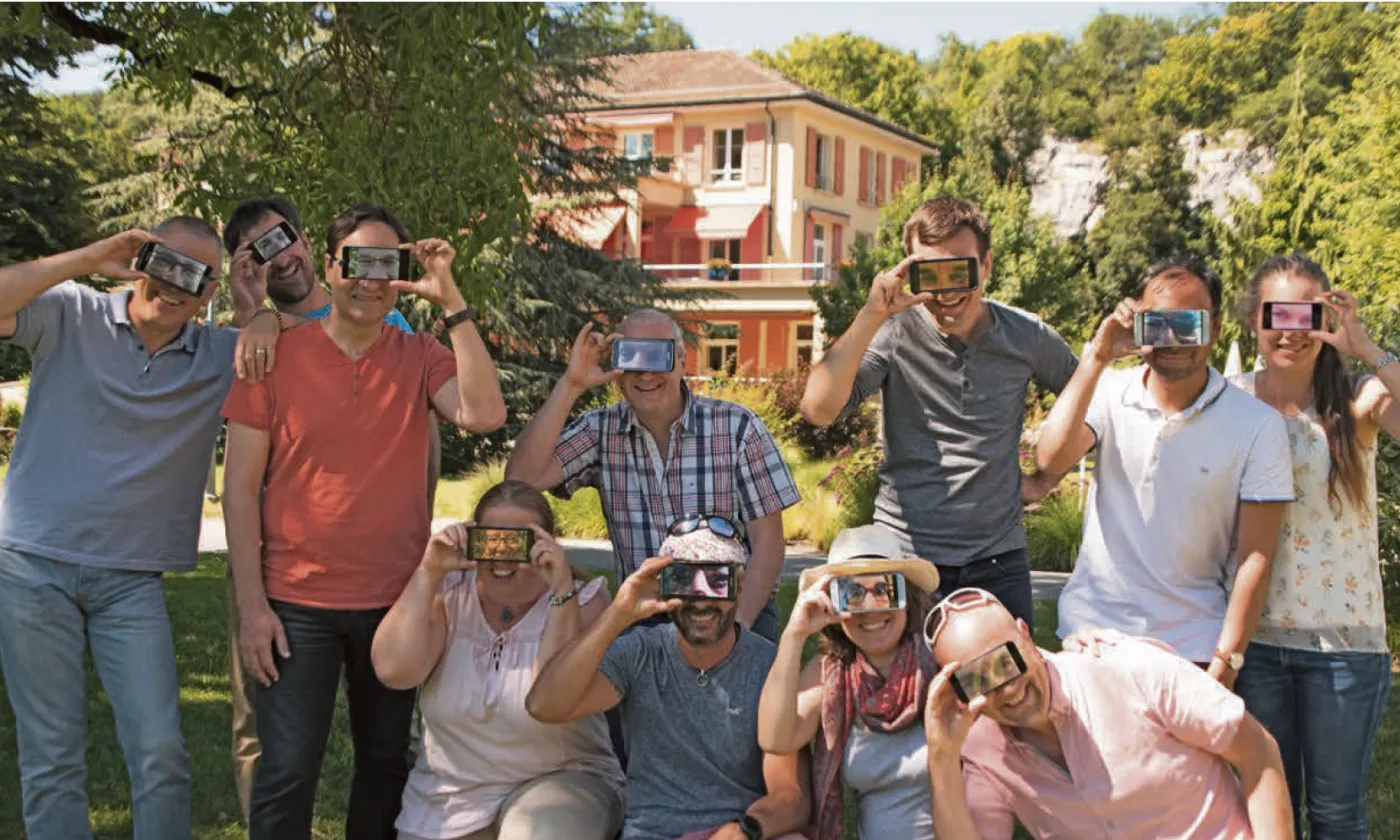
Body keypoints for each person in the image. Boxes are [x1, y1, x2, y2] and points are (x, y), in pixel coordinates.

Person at [222, 203, 506, 840]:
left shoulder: (422, 353)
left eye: (388, 263)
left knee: (384, 764)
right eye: (357, 261)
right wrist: (252, 608)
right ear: (331, 266)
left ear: (402, 274)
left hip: (395, 603)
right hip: (295, 605)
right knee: (288, 769)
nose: (370, 278)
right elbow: (237, 492)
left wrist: (451, 297)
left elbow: (484, 414)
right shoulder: (272, 357)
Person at [0, 220, 274, 839]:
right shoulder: (71, 312)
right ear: (141, 258)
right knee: (51, 759)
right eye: (166, 263)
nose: (174, 286)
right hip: (30, 568)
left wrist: (257, 314)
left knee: (161, 754)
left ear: (208, 293)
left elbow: (309, 357)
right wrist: (89, 257)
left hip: (130, 585)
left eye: (195, 276)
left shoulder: (216, 356)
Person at [799, 196, 1077, 632]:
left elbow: (1091, 402)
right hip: (906, 557)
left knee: (1010, 692)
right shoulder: (892, 333)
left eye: (960, 271)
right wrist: (872, 313)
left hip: (998, 559)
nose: (947, 293)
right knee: (906, 698)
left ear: (986, 266)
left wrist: (1048, 475)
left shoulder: (1027, 336)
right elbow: (818, 409)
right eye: (932, 274)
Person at [1036, 254, 1293, 685]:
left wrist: (1225, 664)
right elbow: (1050, 459)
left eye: (1188, 323)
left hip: (1192, 647)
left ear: (1215, 329)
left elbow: (1256, 558)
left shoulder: (1258, 424)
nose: (1173, 339)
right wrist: (1097, 356)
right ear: (1136, 324)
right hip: (1091, 637)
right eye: (1158, 324)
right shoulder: (1109, 393)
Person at [1230, 253, 1398, 839]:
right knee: (1267, 810)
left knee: (1334, 816)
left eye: (1308, 314)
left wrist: (1369, 349)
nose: (1291, 331)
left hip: (1345, 646)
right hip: (1255, 644)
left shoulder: (1358, 398)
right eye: (1278, 313)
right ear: (1253, 319)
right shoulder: (1228, 399)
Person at [505, 309, 801, 642]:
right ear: (616, 367)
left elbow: (768, 544)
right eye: (631, 356)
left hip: (733, 608)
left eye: (657, 356)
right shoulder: (599, 430)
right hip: (645, 619)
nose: (645, 373)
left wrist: (736, 634)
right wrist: (571, 384)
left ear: (682, 362)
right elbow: (519, 483)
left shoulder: (736, 428)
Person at [922, 589, 1294, 839]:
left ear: (1025, 635)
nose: (1004, 688)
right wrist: (942, 756)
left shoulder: (1129, 669)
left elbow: (1258, 752)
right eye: (977, 679)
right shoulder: (984, 749)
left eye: (1005, 662)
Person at [371, 480, 625, 840]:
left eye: (518, 544)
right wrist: (428, 573)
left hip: (561, 781)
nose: (502, 558)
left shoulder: (584, 602)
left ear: (545, 545)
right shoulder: (452, 596)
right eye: (491, 541)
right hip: (450, 794)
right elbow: (393, 670)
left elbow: (549, 701)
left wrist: (560, 591)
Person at [526, 523, 812, 840]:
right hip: (652, 831)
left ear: (739, 588)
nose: (700, 602)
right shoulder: (639, 651)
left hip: (740, 829)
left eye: (717, 582)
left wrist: (745, 830)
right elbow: (545, 706)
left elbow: (791, 795)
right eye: (685, 581)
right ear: (662, 587)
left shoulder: (767, 664)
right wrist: (619, 613)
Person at [757, 524, 940, 840]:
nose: (869, 608)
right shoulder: (832, 673)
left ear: (907, 596)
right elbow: (776, 739)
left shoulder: (940, 655)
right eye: (852, 593)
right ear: (833, 604)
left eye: (884, 589)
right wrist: (795, 635)